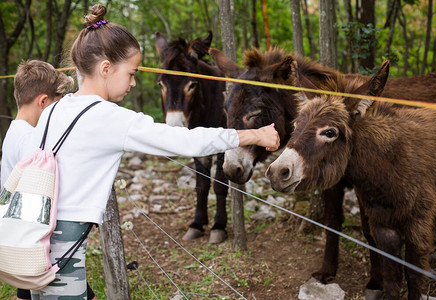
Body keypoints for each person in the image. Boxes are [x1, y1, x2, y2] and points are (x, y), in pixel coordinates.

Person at [27, 3, 279, 299]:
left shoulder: (53, 110)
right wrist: (254, 133)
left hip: (37, 235)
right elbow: (184, 141)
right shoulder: (108, 117)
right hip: (64, 243)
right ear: (106, 68)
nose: (134, 82)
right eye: (131, 73)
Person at [0, 60, 97, 300]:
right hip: (34, 239)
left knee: (28, 292)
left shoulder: (16, 131)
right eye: (56, 104)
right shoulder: (30, 139)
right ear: (43, 102)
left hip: (24, 235)